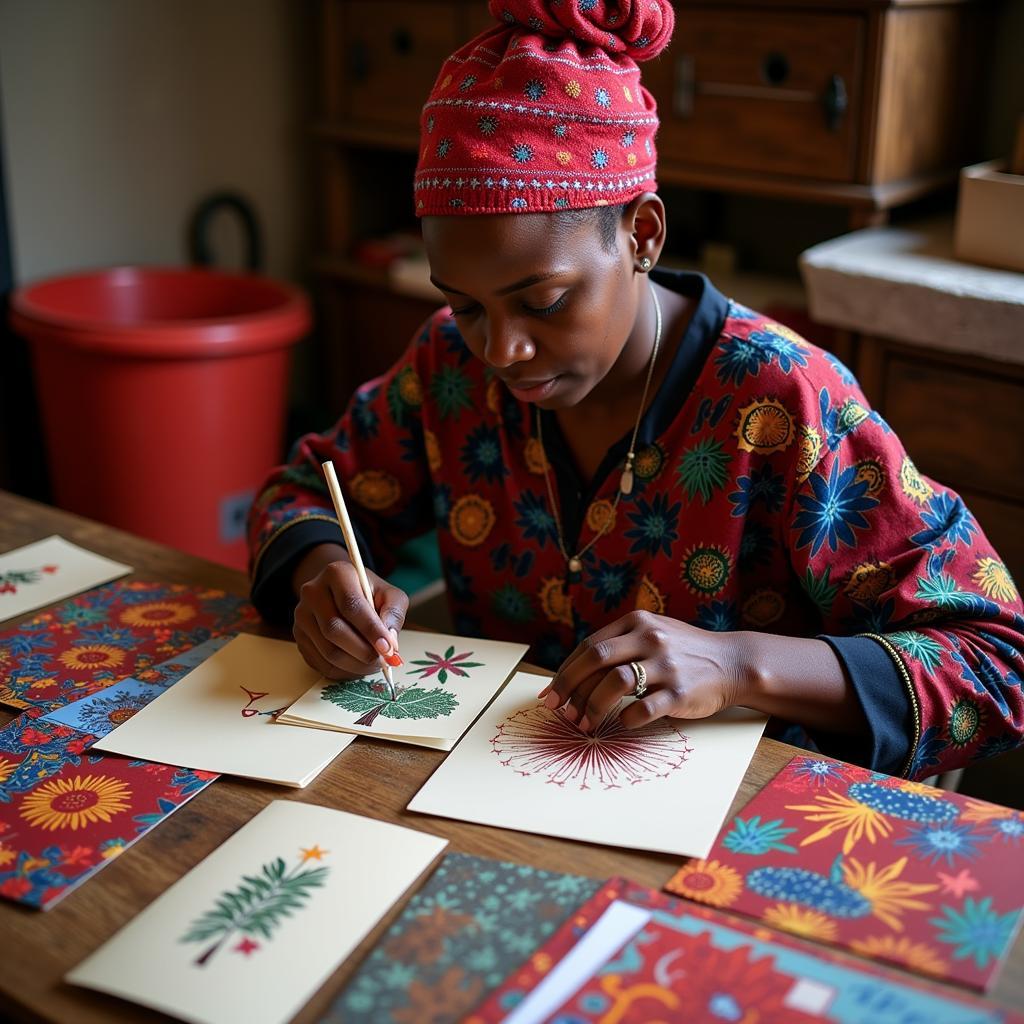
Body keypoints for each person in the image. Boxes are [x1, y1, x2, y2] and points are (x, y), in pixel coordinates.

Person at [247, 0, 1023, 781]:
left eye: (542, 301)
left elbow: (996, 663)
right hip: (490, 791)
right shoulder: (449, 368)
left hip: (724, 825)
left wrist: (738, 665)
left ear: (643, 235)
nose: (503, 349)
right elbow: (303, 490)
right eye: (465, 303)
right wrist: (322, 578)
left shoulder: (784, 402)